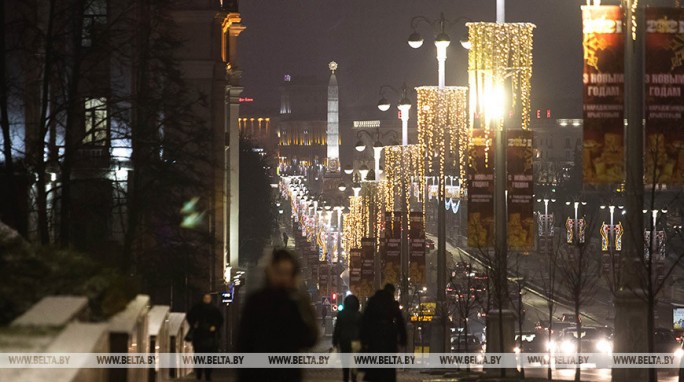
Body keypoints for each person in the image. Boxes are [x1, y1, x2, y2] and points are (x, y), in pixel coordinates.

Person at [237, 248, 318, 382]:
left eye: (288, 273)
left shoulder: (297, 302)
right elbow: (244, 342)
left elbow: (310, 338)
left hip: (288, 374)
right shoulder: (256, 301)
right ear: (270, 272)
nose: (283, 278)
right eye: (279, 272)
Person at [360, 284, 407, 382]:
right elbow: (400, 321)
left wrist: (363, 339)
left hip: (374, 336)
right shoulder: (391, 303)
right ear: (392, 292)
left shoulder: (373, 301)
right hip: (389, 337)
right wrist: (403, 338)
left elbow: (365, 320)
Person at [187, 293, 223, 381]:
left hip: (210, 335)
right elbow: (190, 316)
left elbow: (220, 320)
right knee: (199, 354)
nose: (207, 300)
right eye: (205, 298)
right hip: (200, 334)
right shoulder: (197, 308)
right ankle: (199, 372)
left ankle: (207, 373)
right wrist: (193, 324)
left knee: (209, 355)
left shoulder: (214, 310)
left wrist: (215, 326)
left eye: (208, 298)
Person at [333, 294, 362, 382]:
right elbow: (363, 329)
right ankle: (354, 378)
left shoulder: (341, 314)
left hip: (344, 341)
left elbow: (337, 329)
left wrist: (335, 341)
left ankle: (345, 378)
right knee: (354, 363)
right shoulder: (359, 315)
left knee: (345, 364)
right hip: (355, 342)